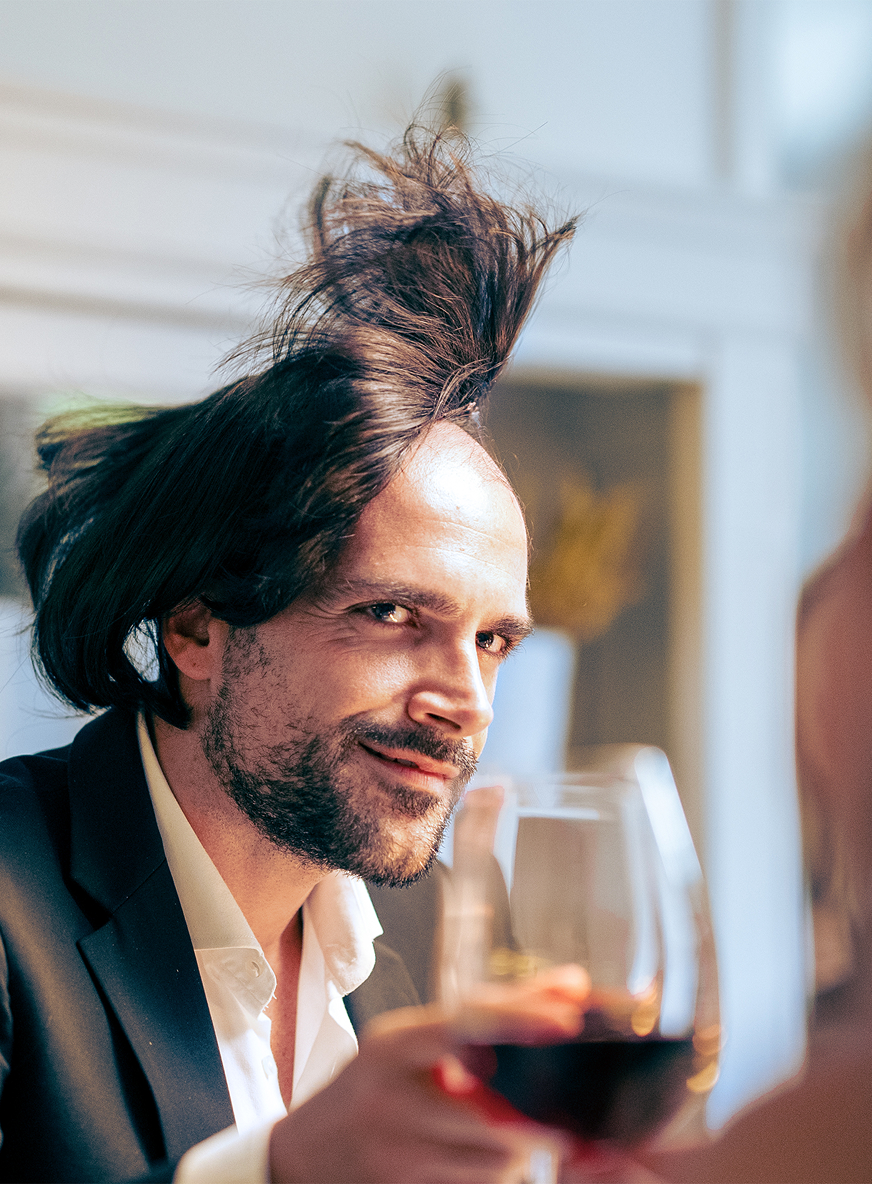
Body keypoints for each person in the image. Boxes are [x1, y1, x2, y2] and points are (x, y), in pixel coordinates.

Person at [0, 127, 588, 1183]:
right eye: (391, 614)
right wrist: (282, 1167)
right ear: (195, 629)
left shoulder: (438, 918)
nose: (466, 700)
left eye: (491, 638)